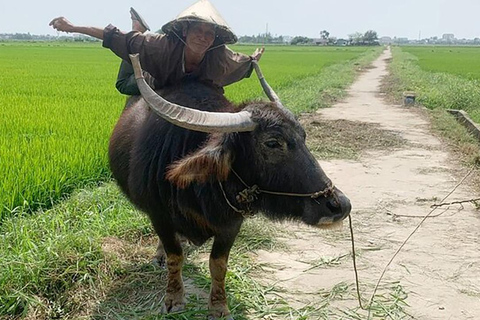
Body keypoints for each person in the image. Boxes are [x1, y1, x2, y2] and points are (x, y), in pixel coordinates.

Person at [49, 0, 264, 95]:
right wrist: (72, 26)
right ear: (184, 32)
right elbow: (112, 36)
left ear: (215, 39)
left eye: (209, 34)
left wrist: (252, 60)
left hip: (187, 89)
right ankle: (138, 30)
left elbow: (240, 63)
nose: (203, 37)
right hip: (156, 79)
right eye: (198, 31)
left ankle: (139, 31)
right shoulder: (160, 46)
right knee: (124, 83)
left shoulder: (219, 57)